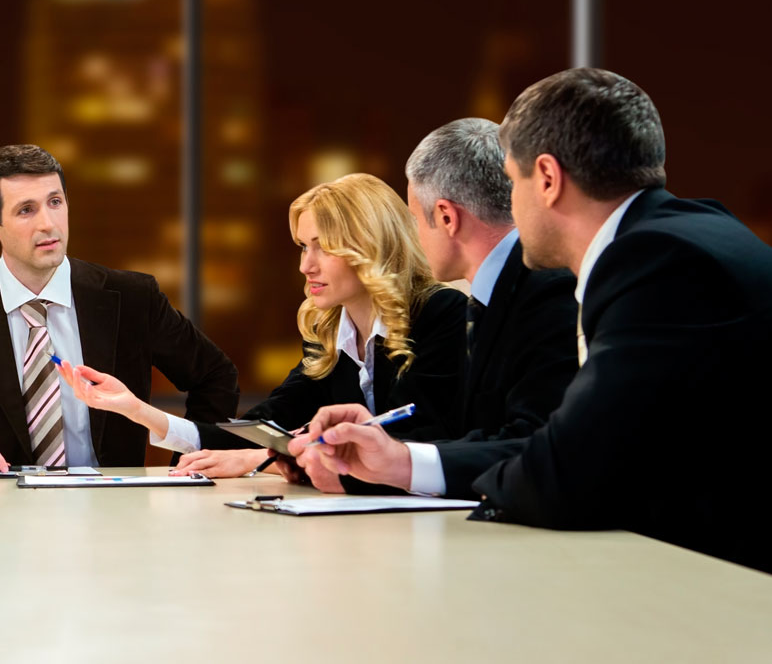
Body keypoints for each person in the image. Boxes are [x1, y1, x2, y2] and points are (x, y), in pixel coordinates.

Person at [291, 68, 772, 573]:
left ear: (546, 179)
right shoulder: (692, 234)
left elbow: (569, 462)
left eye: (512, 182)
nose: (509, 207)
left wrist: (405, 466)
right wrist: (400, 461)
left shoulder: (651, 262)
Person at [65, 173, 466, 480]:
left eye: (323, 247)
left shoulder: (441, 312)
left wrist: (263, 459)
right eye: (303, 246)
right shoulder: (330, 335)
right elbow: (257, 429)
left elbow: (416, 443)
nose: (306, 265)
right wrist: (137, 409)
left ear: (370, 246)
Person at [0, 144, 239, 474]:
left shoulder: (132, 298)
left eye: (55, 202)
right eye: (26, 210)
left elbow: (215, 377)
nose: (48, 224)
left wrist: (190, 468)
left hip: (115, 511)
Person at [400, 118, 577, 443]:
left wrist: (398, 459)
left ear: (447, 217)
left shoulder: (549, 291)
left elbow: (530, 441)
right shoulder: (506, 289)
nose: (416, 236)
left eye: (415, 219)